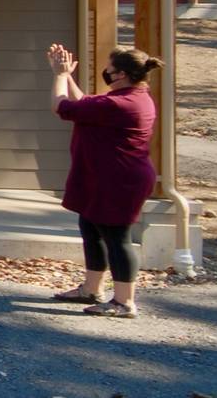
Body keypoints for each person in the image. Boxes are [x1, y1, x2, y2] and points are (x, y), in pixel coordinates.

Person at [46, 44, 161, 318]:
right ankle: (91, 288)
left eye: (109, 68)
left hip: (120, 180)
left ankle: (124, 302)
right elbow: (85, 102)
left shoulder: (120, 104)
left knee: (117, 238)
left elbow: (59, 106)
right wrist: (69, 76)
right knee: (91, 228)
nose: (106, 72)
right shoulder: (130, 97)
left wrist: (59, 75)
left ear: (120, 74)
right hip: (104, 177)